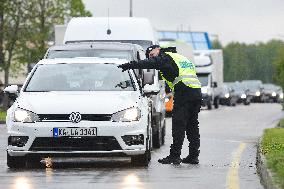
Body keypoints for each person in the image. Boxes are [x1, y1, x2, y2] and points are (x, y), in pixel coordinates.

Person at [118, 45, 202, 164]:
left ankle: (175, 156)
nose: (152, 57)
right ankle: (193, 156)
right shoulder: (178, 57)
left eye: (152, 54)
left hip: (184, 92)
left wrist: (131, 65)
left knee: (179, 125)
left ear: (158, 49)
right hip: (196, 91)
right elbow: (175, 74)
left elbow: (151, 63)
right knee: (192, 125)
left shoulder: (165, 57)